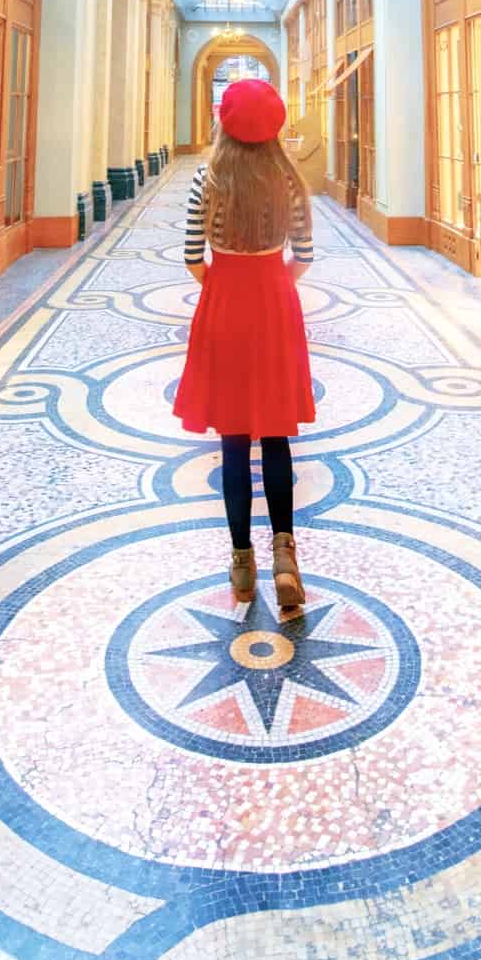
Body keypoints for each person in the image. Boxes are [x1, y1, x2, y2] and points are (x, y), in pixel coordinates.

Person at [173, 78, 316, 615]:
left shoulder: (207, 178)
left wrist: (223, 288)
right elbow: (302, 253)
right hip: (275, 302)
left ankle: (241, 561)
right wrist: (273, 285)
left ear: (224, 123)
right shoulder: (288, 180)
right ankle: (286, 559)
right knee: (276, 434)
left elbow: (191, 255)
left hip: (224, 303)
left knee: (234, 439)